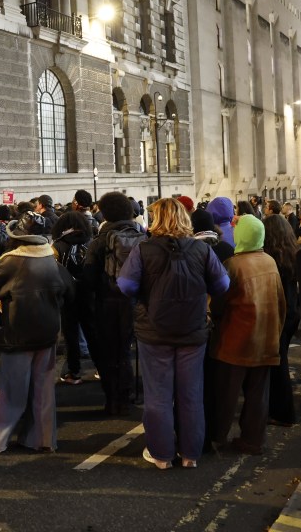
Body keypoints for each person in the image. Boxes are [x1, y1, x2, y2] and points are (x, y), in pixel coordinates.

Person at [117, 199, 229, 469]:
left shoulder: (143, 250)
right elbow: (222, 284)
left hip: (154, 332)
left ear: (157, 220)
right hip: (192, 331)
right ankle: (190, 454)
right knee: (191, 394)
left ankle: (161, 455)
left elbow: (126, 286)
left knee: (158, 396)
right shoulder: (201, 249)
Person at [0, 215, 74, 452]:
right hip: (47, 331)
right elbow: (69, 290)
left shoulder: (11, 262)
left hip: (18, 332)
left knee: (12, 390)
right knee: (43, 389)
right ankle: (42, 439)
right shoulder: (52, 260)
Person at [209, 214, 285, 454]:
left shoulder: (233, 265)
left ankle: (217, 437)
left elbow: (218, 304)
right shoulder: (270, 262)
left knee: (225, 395)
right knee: (257, 396)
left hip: (236, 341)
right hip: (266, 340)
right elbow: (281, 303)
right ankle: (253, 440)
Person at [83, 192, 145, 415]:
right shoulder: (143, 238)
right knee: (126, 351)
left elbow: (88, 277)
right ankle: (127, 396)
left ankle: (112, 400)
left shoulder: (100, 241)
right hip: (134, 301)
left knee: (109, 351)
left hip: (107, 302)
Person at [261, 215, 300, 427]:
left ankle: (283, 412)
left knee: (278, 364)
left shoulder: (270, 258)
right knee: (280, 361)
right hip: (292, 313)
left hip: (279, 314)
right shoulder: (292, 253)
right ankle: (280, 410)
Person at [50, 211, 95, 385]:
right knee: (92, 332)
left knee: (70, 334)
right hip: (88, 293)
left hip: (67, 296)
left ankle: (73, 371)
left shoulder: (57, 245)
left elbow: (54, 273)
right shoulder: (91, 243)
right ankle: (101, 368)